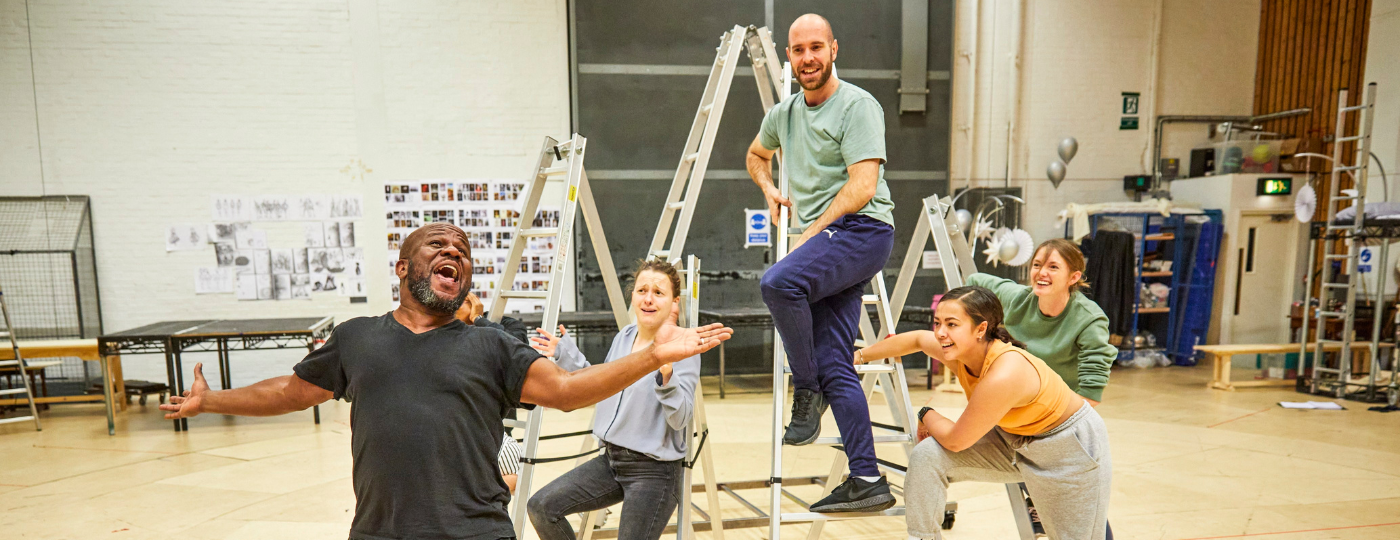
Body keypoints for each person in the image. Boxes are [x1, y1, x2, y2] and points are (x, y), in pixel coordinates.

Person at [159, 223, 733, 540]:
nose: (452, 250)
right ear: (405, 268)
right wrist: (213, 400)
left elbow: (565, 391)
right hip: (381, 532)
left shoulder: (489, 345)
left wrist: (653, 354)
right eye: (437, 244)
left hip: (475, 534)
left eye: (461, 249)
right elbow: (289, 391)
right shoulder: (358, 337)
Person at [745, 13, 897, 512]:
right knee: (838, 363)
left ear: (834, 49)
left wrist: (811, 232)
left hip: (863, 230)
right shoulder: (784, 114)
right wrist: (769, 190)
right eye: (797, 50)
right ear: (789, 58)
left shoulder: (858, 106)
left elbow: (863, 187)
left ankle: (804, 389)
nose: (807, 57)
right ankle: (868, 478)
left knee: (778, 283)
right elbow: (755, 154)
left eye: (816, 47)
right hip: (829, 238)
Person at [855, 286, 1111, 540]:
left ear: (981, 329)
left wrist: (926, 413)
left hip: (1069, 448)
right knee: (928, 455)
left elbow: (957, 440)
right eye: (937, 323)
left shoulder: (1004, 372)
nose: (941, 333)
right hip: (1016, 439)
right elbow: (916, 340)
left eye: (952, 324)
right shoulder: (959, 349)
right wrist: (858, 356)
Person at [525, 258, 699, 540]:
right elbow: (600, 383)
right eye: (642, 291)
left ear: (673, 302)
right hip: (612, 461)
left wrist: (666, 371)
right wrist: (565, 354)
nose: (648, 299)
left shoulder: (683, 348)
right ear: (633, 296)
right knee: (541, 507)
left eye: (658, 293)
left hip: (654, 473)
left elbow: (681, 418)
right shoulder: (625, 336)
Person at [965, 238, 1117, 537]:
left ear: (1074, 277)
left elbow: (1091, 393)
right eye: (1036, 265)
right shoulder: (1017, 298)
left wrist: (1048, 424)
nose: (1041, 273)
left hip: (1067, 424)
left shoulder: (1089, 319)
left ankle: (1043, 502)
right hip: (1020, 419)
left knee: (1081, 513)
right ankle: (1037, 501)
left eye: (1052, 267)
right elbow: (974, 280)